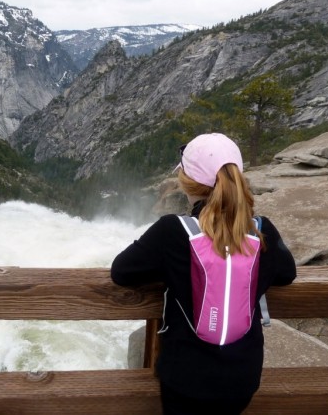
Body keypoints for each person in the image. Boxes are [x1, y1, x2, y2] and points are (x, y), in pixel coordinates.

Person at [111, 132, 296, 414]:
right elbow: (287, 274)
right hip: (241, 378)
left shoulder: (172, 232)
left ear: (187, 183)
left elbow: (121, 272)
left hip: (185, 378)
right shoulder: (262, 230)